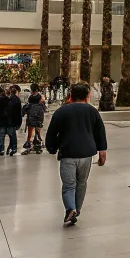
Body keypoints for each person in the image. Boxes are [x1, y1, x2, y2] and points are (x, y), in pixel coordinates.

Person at [44, 82, 107, 227]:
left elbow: (52, 132)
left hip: (68, 153)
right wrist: (102, 150)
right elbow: (100, 131)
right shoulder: (92, 111)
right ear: (87, 96)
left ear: (71, 95)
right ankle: (76, 209)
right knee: (81, 182)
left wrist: (51, 147)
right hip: (87, 154)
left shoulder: (62, 111)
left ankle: (70, 208)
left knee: (69, 185)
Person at [0, 85, 22, 157]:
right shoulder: (15, 100)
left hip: (2, 122)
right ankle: (13, 148)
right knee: (12, 135)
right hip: (10, 121)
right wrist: (18, 122)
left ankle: (1, 149)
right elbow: (17, 112)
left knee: (1, 136)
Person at [21, 85, 45, 154]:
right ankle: (38, 143)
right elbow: (44, 109)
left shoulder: (30, 101)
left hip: (30, 120)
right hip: (38, 120)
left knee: (30, 133)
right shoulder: (40, 103)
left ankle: (29, 143)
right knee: (38, 132)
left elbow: (24, 110)